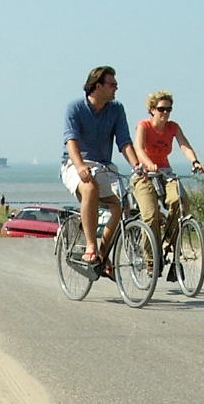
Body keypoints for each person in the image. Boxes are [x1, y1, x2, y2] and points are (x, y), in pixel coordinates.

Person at [62, 65, 147, 266]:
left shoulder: (117, 109)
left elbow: (124, 142)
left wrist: (136, 165)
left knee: (120, 205)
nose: (116, 88)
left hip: (103, 166)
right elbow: (71, 140)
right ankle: (91, 246)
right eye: (112, 84)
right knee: (90, 188)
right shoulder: (75, 108)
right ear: (97, 86)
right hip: (75, 163)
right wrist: (81, 166)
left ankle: (103, 254)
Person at [132, 90, 204, 266]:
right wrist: (149, 164)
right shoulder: (144, 126)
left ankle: (172, 238)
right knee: (150, 216)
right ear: (152, 110)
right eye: (161, 109)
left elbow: (184, 145)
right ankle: (151, 260)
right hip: (146, 174)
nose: (165, 113)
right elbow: (139, 148)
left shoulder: (173, 127)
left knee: (181, 202)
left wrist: (195, 161)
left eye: (169, 109)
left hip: (165, 172)